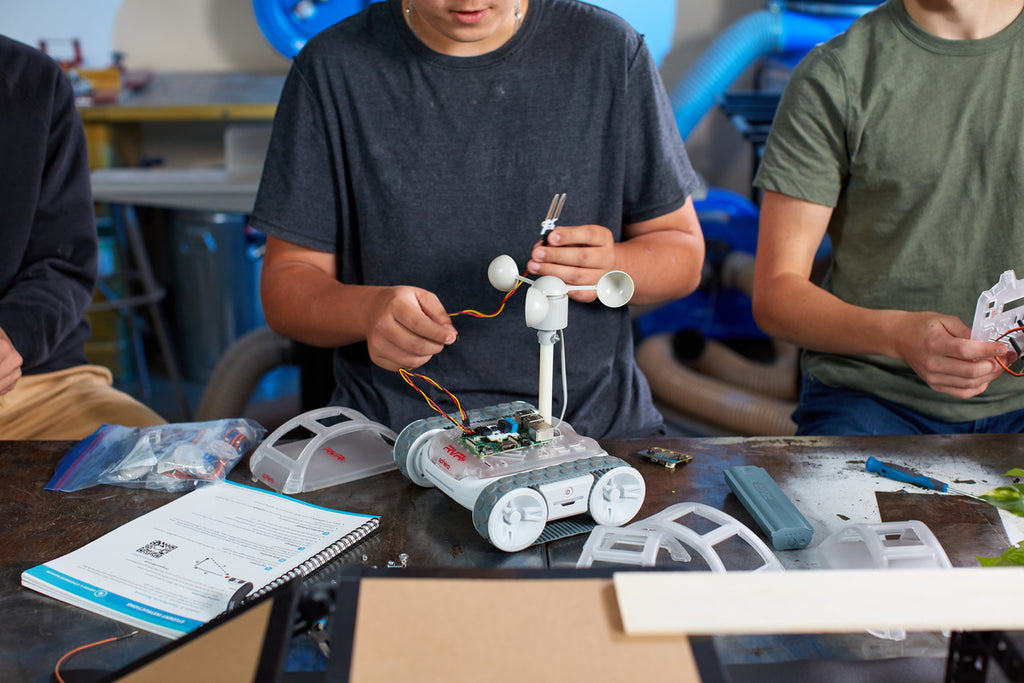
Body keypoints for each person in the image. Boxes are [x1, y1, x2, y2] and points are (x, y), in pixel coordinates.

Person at [251, 0, 704, 439]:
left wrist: (613, 266)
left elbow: (681, 255)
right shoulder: (333, 67)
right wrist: (367, 312)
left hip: (594, 431)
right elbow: (287, 285)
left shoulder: (608, 50)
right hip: (396, 439)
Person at [751, 0, 1024, 435]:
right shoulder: (837, 73)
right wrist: (899, 335)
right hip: (873, 397)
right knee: (828, 506)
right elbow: (776, 296)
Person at [0, 34, 166, 439]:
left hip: (34, 389)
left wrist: (11, 336)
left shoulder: (33, 81)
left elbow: (61, 264)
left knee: (168, 468)